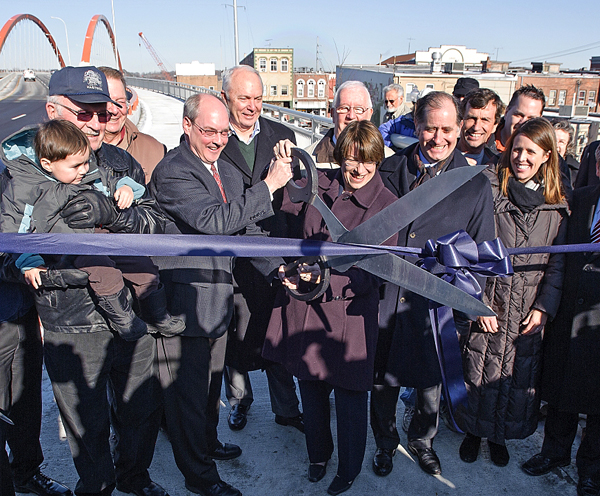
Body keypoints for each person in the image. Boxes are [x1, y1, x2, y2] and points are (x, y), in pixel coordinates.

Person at [26, 65, 167, 496]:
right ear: (52, 110)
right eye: (82, 113)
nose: (96, 124)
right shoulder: (17, 171)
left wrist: (117, 215)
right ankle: (98, 486)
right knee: (88, 427)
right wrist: (70, 269)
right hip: (70, 322)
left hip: (131, 314)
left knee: (141, 410)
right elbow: (7, 250)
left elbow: (157, 224)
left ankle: (135, 478)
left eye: (102, 113)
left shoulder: (120, 162)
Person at [148, 93, 292, 496]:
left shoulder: (222, 170)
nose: (217, 140)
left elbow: (245, 231)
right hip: (183, 306)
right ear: (186, 125)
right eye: (208, 131)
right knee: (187, 398)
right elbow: (216, 222)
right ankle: (200, 478)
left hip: (217, 302)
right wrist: (269, 185)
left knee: (211, 390)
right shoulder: (173, 172)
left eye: (223, 132)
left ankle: (207, 445)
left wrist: (279, 267)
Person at [263, 120, 399, 495]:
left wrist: (322, 277)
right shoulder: (323, 186)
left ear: (378, 160)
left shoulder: (387, 205)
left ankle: (349, 468)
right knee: (310, 386)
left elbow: (378, 270)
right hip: (308, 307)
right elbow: (290, 220)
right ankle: (317, 455)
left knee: (352, 398)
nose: (357, 169)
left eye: (366, 161)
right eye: (349, 160)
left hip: (350, 315)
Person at [370, 91, 495, 478]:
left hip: (433, 302)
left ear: (459, 129)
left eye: (446, 129)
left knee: (429, 383)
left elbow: (484, 252)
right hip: (386, 296)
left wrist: (465, 302)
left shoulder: (474, 185)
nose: (437, 138)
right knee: (382, 379)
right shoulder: (388, 172)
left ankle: (423, 440)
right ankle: (385, 443)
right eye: (429, 128)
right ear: (416, 125)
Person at [0, 120, 183, 341]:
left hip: (100, 236)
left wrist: (127, 188)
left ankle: (157, 315)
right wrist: (28, 261)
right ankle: (125, 320)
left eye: (86, 162)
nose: (84, 170)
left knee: (142, 265)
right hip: (65, 245)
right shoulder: (25, 188)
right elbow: (15, 230)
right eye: (76, 166)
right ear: (47, 164)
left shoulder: (87, 172)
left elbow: (113, 182)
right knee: (104, 272)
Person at [458, 117, 568, 467]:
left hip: (527, 308)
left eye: (531, 152)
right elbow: (465, 248)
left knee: (515, 374)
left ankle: (499, 436)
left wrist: (544, 307)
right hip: (490, 301)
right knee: (479, 368)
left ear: (547, 155)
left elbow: (557, 264)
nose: (521, 157)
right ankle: (473, 432)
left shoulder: (557, 207)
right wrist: (475, 301)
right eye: (516, 149)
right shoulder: (488, 189)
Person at [218, 65, 303, 433]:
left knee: (277, 334)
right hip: (236, 256)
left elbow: (301, 193)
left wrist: (295, 166)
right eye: (243, 98)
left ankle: (287, 408)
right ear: (226, 99)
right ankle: (239, 401)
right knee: (237, 338)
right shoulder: (214, 140)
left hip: (277, 252)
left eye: (258, 99)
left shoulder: (281, 135)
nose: (252, 106)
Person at [521, 143, 600, 496]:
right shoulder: (581, 199)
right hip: (569, 311)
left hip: (597, 316)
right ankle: (553, 452)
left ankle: (592, 469)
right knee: (563, 387)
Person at [99, 66, 166, 183]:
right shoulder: (73, 151)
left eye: (120, 102)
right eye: (106, 102)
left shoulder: (155, 151)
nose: (114, 110)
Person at [305, 81, 392, 169]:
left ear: (370, 114)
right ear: (333, 114)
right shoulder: (306, 161)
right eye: (343, 108)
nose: (351, 116)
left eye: (359, 109)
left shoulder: (389, 160)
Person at [457, 88, 505, 166]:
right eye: (472, 118)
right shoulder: (442, 158)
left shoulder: (500, 165)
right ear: (461, 120)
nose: (476, 127)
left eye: (484, 120)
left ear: (495, 126)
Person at [493, 85, 545, 154]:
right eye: (519, 115)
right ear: (506, 112)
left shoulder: (546, 154)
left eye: (531, 118)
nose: (523, 122)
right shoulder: (482, 144)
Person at [551, 118, 580, 188]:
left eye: (561, 142)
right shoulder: (536, 164)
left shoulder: (575, 171)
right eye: (553, 140)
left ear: (568, 145)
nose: (556, 145)